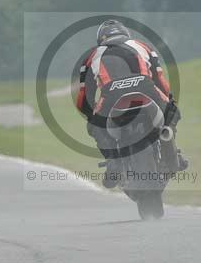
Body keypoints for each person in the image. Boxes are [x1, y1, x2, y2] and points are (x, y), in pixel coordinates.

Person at [74, 19, 187, 187]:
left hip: (111, 94)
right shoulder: (143, 46)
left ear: (100, 39)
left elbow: (84, 96)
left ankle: (113, 163)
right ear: (126, 33)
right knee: (172, 113)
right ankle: (168, 148)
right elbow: (160, 80)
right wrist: (169, 100)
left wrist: (90, 116)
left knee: (95, 126)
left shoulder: (91, 56)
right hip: (146, 87)